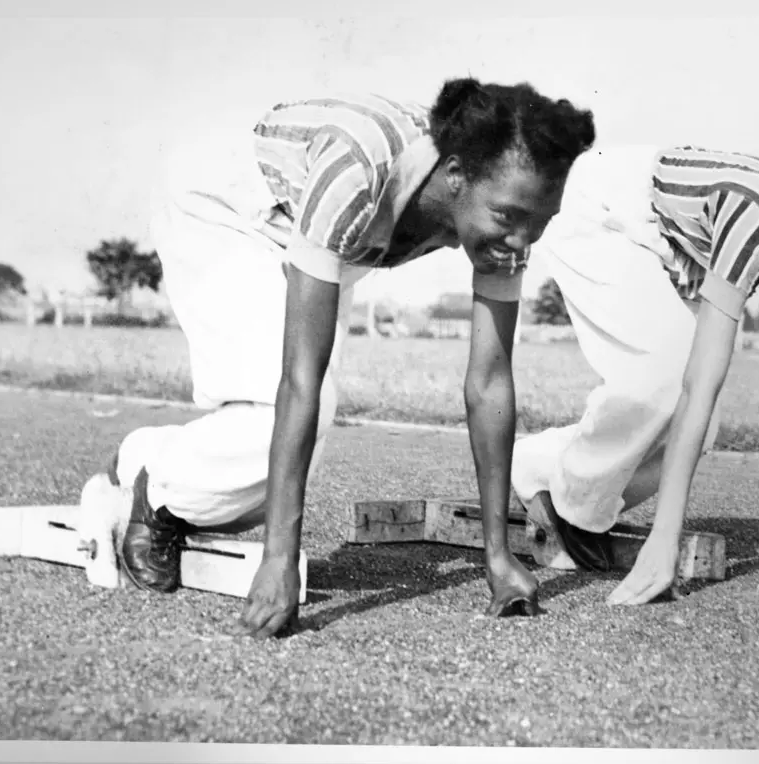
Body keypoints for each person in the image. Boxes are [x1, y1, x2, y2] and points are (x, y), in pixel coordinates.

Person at [93, 79, 596, 637]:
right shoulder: (359, 166)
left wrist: (499, 556)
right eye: (508, 217)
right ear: (455, 177)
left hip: (323, 233)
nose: (522, 242)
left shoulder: (501, 214)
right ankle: (155, 479)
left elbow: (490, 383)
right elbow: (299, 381)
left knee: (287, 453)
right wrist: (278, 559)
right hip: (229, 205)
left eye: (540, 222)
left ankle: (154, 456)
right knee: (283, 419)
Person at [511, 97, 759, 604]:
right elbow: (698, 381)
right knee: (663, 383)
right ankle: (573, 508)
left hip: (678, 246)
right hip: (607, 206)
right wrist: (663, 541)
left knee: (701, 427)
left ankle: (533, 466)